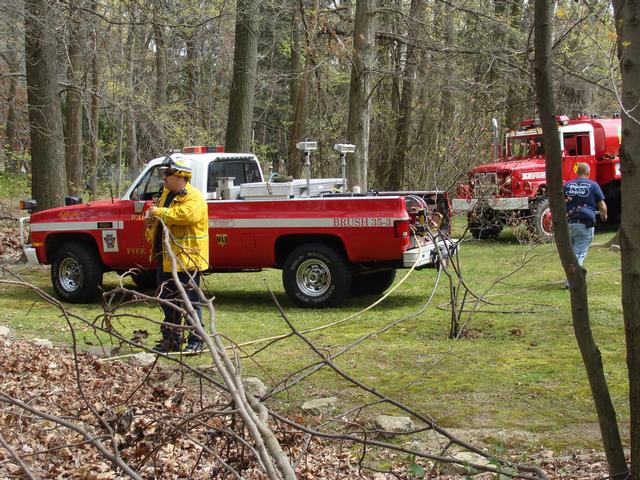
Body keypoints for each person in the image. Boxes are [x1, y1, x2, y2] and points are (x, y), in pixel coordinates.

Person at [145, 156, 209, 353]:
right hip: (165, 260)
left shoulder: (194, 197)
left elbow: (186, 215)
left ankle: (197, 341)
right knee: (167, 301)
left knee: (189, 302)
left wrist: (158, 212)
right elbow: (159, 217)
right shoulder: (167, 194)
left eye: (167, 173)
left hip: (186, 261)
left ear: (180, 175)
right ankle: (171, 339)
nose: (164, 177)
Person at [564, 162, 607, 286]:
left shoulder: (567, 185)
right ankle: (571, 281)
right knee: (579, 253)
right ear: (588, 173)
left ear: (577, 173)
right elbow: (602, 205)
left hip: (568, 225)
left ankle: (570, 277)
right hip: (584, 225)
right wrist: (604, 215)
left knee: (571, 252)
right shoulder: (593, 185)